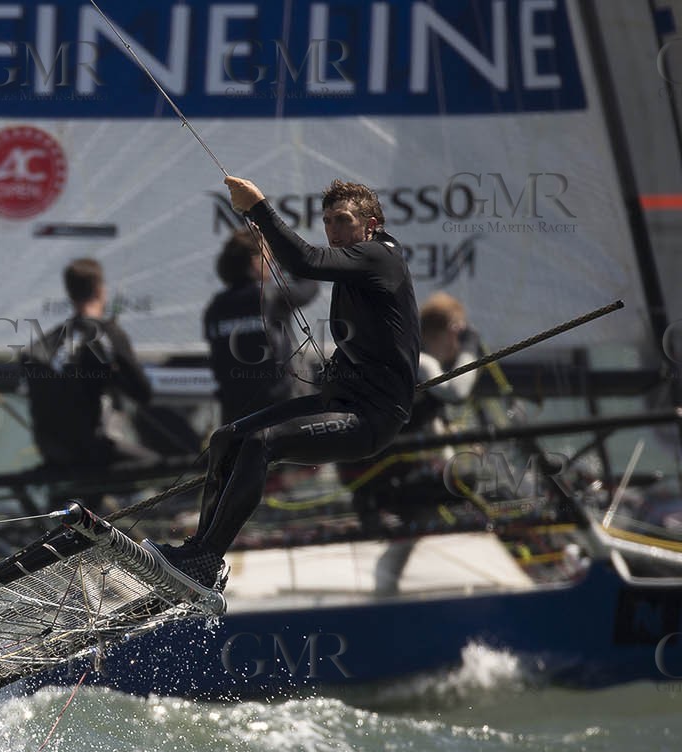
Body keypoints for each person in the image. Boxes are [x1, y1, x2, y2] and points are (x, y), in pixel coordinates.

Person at [150, 176, 421, 591]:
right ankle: (197, 551)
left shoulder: (379, 257)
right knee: (227, 438)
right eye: (328, 221)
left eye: (343, 220)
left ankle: (207, 559)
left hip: (372, 418)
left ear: (372, 223)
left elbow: (305, 263)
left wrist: (259, 207)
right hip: (342, 401)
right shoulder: (356, 266)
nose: (333, 230)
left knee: (262, 443)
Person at [338, 291, 480, 592]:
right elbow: (459, 392)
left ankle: (387, 587)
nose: (458, 344)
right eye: (458, 334)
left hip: (377, 474)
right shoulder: (420, 360)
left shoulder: (404, 356)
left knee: (425, 517)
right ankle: (387, 583)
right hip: (379, 477)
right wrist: (471, 346)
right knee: (466, 480)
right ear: (451, 330)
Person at [21, 257, 156, 479]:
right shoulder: (108, 334)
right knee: (157, 464)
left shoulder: (48, 340)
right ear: (99, 289)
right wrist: (114, 373)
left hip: (52, 451)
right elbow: (143, 393)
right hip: (91, 453)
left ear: (70, 292)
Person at [204, 230, 320, 425]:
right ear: (253, 262)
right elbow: (308, 288)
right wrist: (292, 259)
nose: (272, 265)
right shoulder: (269, 296)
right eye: (269, 259)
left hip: (235, 410)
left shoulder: (215, 307)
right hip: (281, 408)